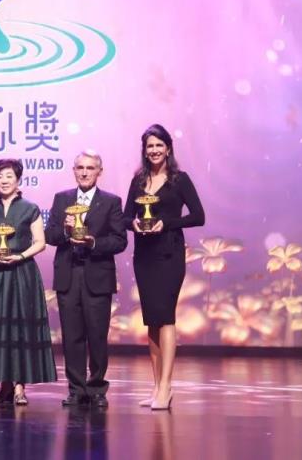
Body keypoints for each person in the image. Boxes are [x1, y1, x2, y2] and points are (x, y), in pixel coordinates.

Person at [124, 124, 205, 410]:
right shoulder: (138, 181)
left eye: (159, 145)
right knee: (152, 321)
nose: (155, 150)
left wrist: (165, 223)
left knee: (166, 317)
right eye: (150, 146)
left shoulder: (179, 180)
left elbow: (198, 216)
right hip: (144, 256)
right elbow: (125, 217)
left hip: (169, 254)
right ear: (144, 150)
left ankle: (167, 386)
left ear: (168, 148)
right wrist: (135, 224)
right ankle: (157, 386)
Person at [0, 159, 57, 405]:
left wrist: (20, 256)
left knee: (20, 327)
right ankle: (5, 385)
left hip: (22, 272)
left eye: (9, 176)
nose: (4, 181)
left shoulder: (30, 208)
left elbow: (40, 242)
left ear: (18, 180)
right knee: (0, 327)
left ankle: (19, 386)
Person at [45, 150, 127, 408]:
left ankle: (97, 388)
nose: (84, 172)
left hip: (97, 275)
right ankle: (76, 389)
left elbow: (120, 240)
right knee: (72, 336)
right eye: (80, 167)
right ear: (74, 170)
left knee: (97, 335)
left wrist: (94, 243)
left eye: (90, 168)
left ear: (99, 172)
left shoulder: (111, 202)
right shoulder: (62, 199)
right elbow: (50, 235)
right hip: (68, 275)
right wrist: (66, 230)